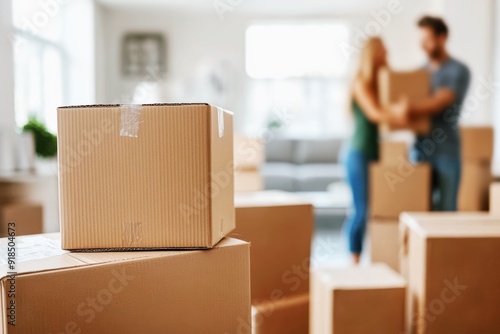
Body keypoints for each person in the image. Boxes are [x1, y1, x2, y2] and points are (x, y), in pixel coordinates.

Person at [343, 37, 407, 264]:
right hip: (358, 154)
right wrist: (398, 113)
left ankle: (375, 258)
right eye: (382, 51)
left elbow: (391, 104)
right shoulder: (361, 83)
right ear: (372, 54)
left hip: (374, 154)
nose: (386, 53)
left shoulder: (379, 83)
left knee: (375, 211)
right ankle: (354, 261)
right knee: (361, 210)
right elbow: (375, 114)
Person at [409, 16, 470, 211]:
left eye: (428, 40)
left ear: (442, 38)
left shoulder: (458, 70)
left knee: (446, 211)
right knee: (418, 209)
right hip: (419, 150)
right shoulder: (419, 73)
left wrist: (408, 108)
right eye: (421, 41)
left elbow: (442, 100)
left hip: (446, 151)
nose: (424, 46)